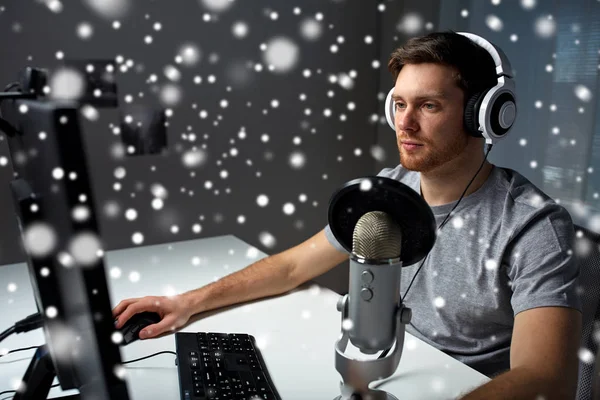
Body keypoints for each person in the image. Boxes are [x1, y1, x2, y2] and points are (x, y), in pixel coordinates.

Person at [113, 31, 582, 399]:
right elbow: (294, 266)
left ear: (484, 115)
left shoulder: (533, 226)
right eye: (399, 104)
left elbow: (546, 380)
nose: (405, 123)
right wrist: (188, 303)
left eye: (429, 106)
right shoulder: (389, 189)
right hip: (384, 372)